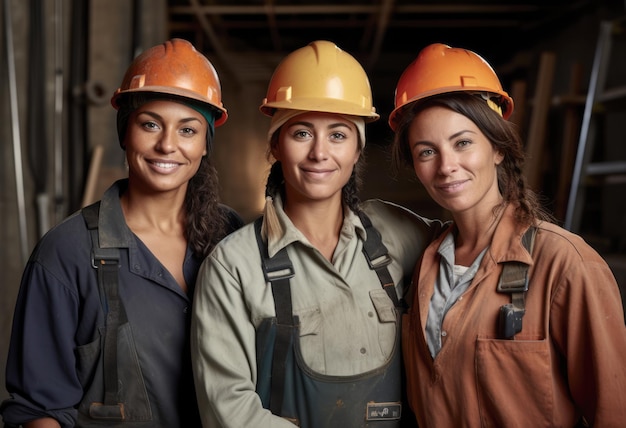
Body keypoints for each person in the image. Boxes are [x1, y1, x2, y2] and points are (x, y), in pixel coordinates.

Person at [191, 40, 442, 428]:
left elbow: (473, 248)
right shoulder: (234, 266)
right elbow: (229, 409)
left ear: (358, 148)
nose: (320, 153)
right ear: (276, 144)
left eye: (339, 135)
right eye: (302, 133)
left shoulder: (396, 235)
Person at [0, 38, 243, 428]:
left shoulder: (231, 237)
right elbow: (39, 411)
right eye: (150, 124)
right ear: (125, 134)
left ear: (204, 144)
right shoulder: (68, 252)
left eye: (187, 129)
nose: (167, 145)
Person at [389, 43, 626, 427]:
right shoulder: (425, 267)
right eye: (426, 151)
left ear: (497, 148)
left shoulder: (564, 265)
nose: (447, 166)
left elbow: (614, 412)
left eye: (463, 142)